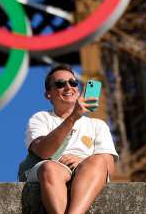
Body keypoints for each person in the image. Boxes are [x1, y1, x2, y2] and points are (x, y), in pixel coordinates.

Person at [22, 65, 118, 214]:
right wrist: (73, 117)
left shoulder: (97, 124)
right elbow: (43, 152)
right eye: (60, 84)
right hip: (52, 168)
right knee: (50, 168)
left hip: (85, 170)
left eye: (73, 83)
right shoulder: (40, 118)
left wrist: (82, 161)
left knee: (98, 161)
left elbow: (108, 167)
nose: (68, 87)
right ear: (48, 94)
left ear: (78, 90)